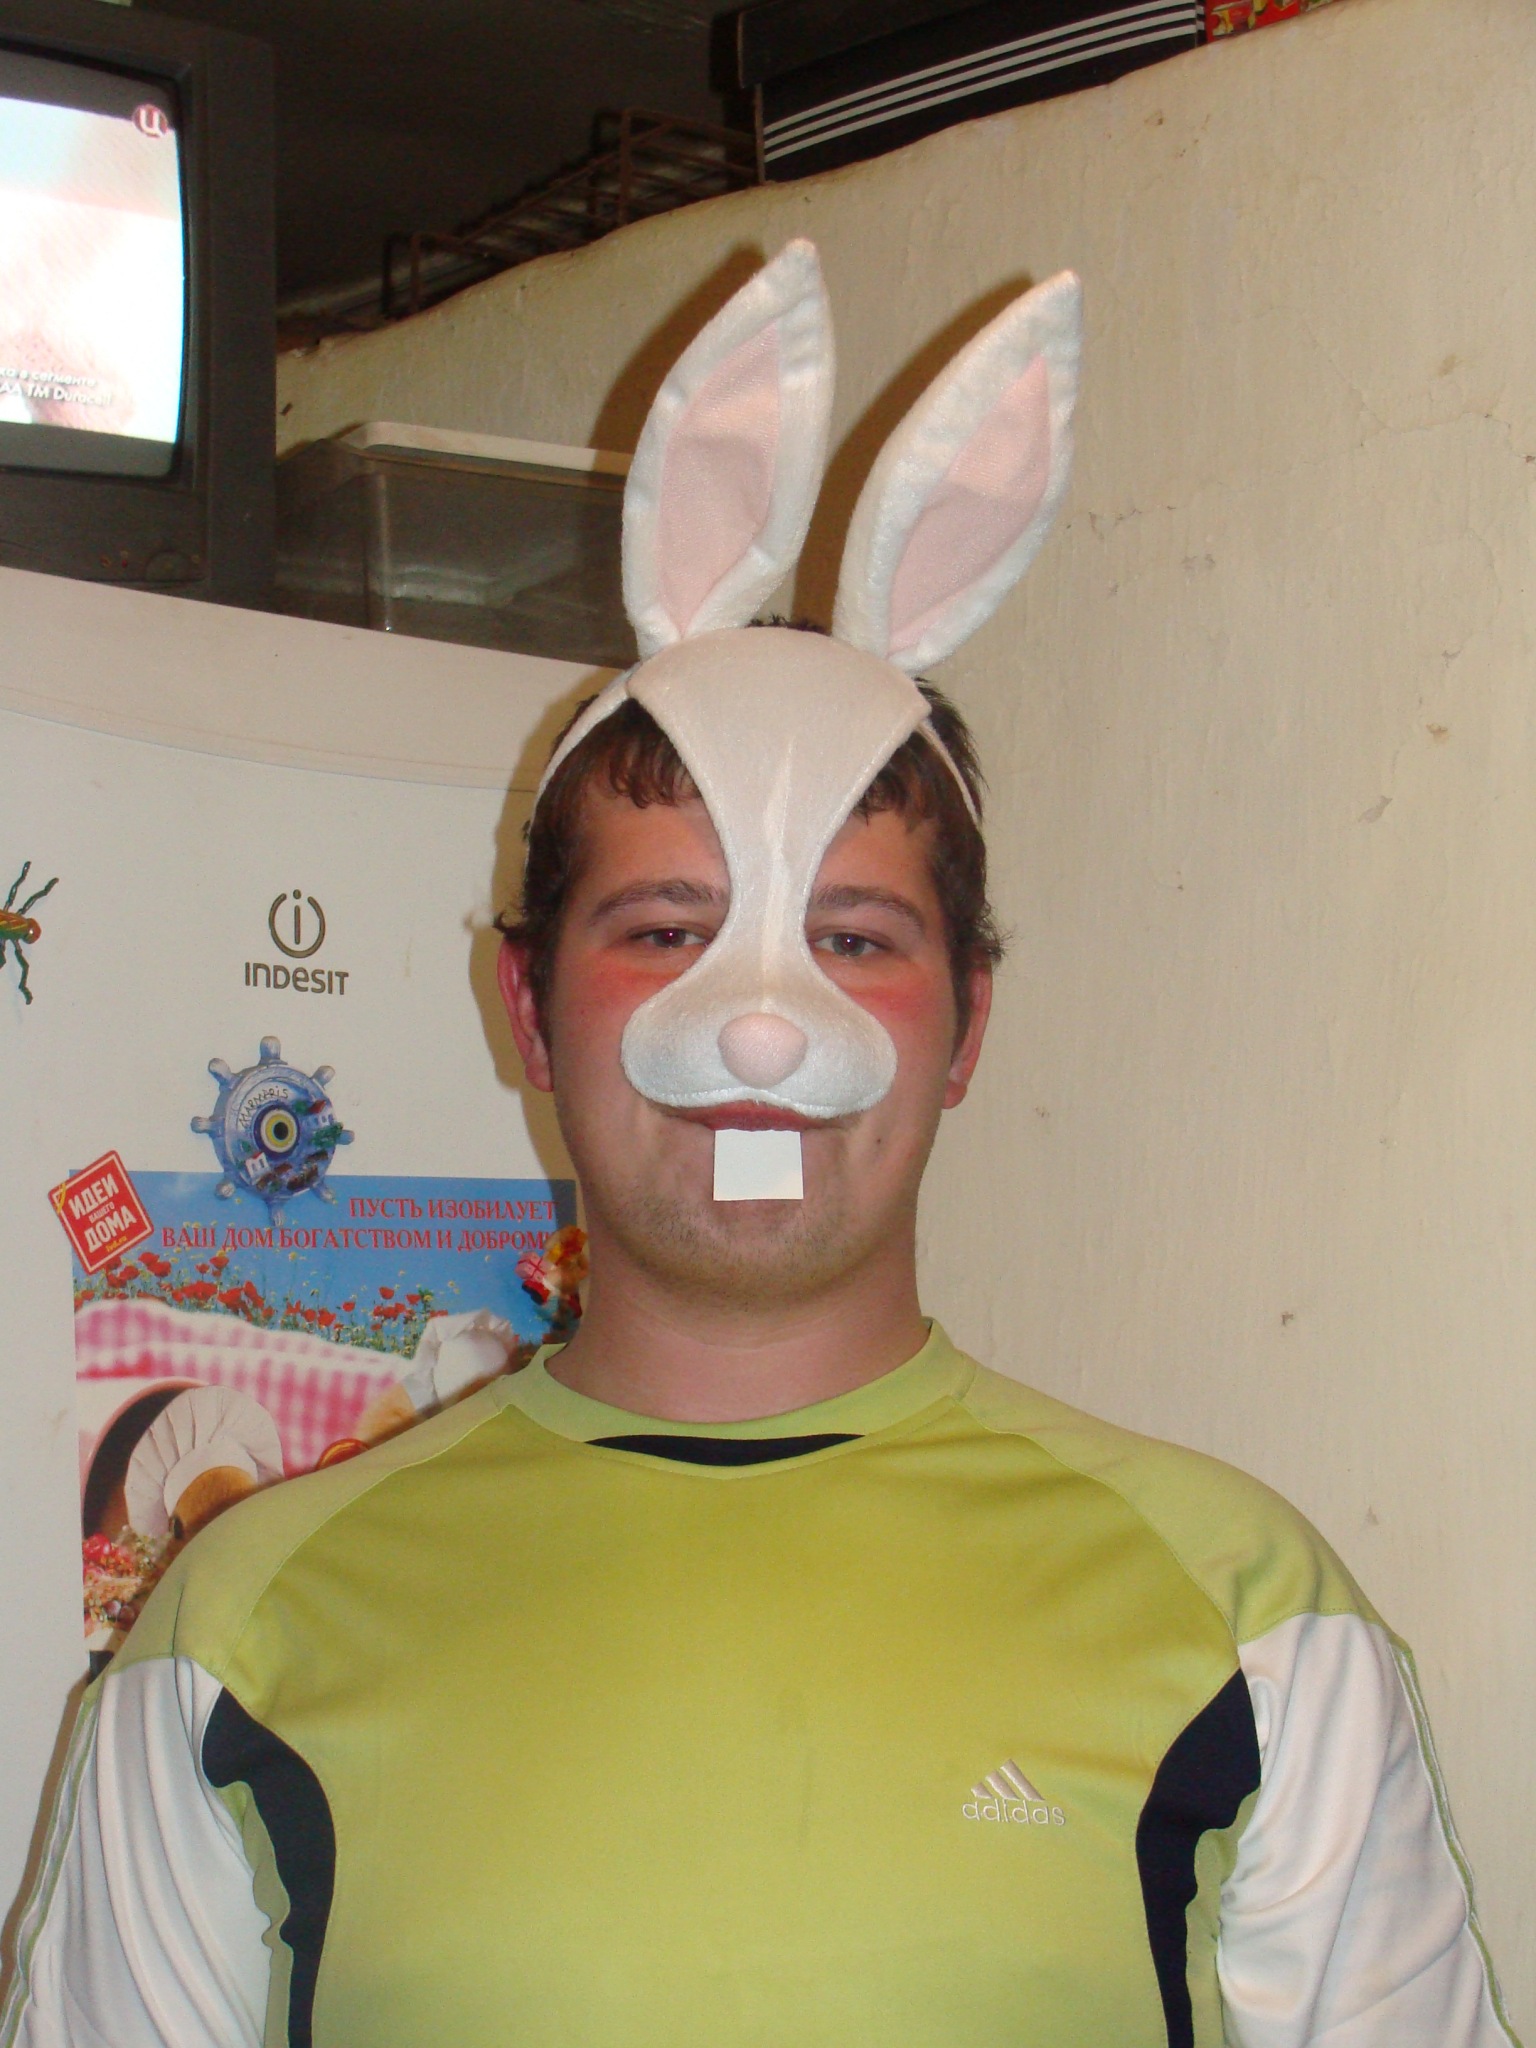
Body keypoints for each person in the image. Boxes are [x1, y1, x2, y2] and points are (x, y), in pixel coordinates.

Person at [0, 244, 1514, 2048]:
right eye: (666, 929)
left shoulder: (1254, 1617)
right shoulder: (234, 1633)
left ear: (967, 1025)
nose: (761, 1028)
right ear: (526, 1006)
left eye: (854, 940)